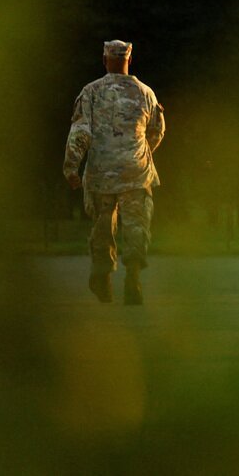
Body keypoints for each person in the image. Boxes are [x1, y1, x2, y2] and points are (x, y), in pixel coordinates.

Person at [62, 40, 165, 305]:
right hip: (136, 172)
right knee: (136, 226)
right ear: (130, 59)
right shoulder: (145, 93)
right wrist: (141, 151)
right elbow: (157, 131)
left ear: (105, 59)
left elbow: (80, 131)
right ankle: (133, 278)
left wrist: (72, 166)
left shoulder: (91, 92)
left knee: (102, 226)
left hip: (100, 173)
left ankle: (102, 277)